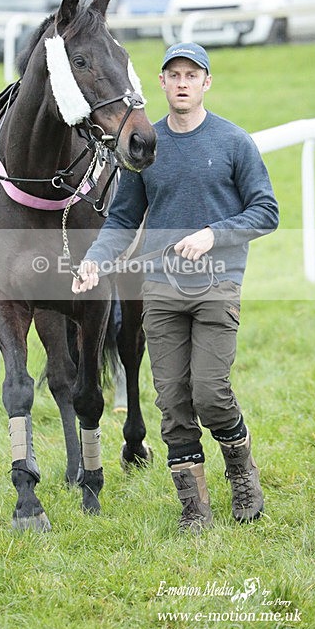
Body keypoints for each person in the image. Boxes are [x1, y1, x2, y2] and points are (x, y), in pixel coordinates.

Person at [72, 43, 279, 534]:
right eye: (173, 75)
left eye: (192, 74)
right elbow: (122, 219)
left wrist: (214, 234)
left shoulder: (234, 142)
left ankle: (241, 472)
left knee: (209, 393)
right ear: (161, 85)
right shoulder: (147, 148)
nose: (182, 83)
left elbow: (266, 211)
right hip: (161, 291)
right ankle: (194, 507)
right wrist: (94, 265)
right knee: (172, 403)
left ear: (207, 83)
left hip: (216, 286)